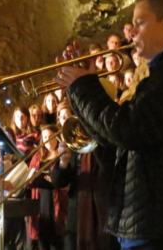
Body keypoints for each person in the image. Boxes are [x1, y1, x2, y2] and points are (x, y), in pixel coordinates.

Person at [54, 0, 163, 250]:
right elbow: (113, 142)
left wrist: (85, 88)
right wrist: (81, 90)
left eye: (140, 22)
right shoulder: (160, 75)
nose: (132, 32)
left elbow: (129, 130)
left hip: (159, 228)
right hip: (145, 225)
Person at [51, 98, 119, 250]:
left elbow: (108, 168)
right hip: (77, 214)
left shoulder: (104, 140)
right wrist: (64, 162)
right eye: (61, 117)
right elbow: (58, 181)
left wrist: (93, 141)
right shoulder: (71, 143)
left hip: (104, 212)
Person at [28, 125, 68, 250]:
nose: (48, 140)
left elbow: (66, 180)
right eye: (45, 137)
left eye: (51, 137)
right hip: (41, 202)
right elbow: (29, 176)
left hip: (57, 202)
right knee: (42, 241)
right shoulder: (37, 157)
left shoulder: (62, 156)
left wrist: (54, 179)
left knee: (56, 241)